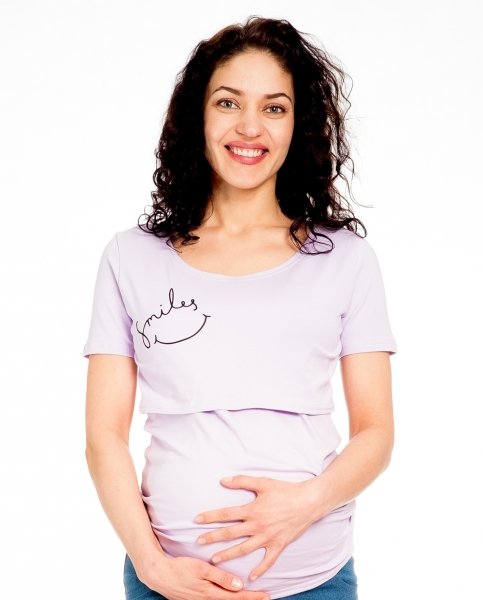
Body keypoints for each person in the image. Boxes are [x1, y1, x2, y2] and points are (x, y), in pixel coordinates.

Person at [83, 16, 397, 600]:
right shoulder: (131, 257)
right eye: (228, 102)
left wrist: (304, 504)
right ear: (197, 116)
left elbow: (376, 433)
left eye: (274, 108)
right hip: (167, 584)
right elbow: (103, 436)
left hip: (314, 582)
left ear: (298, 125)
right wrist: (152, 567)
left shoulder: (347, 260)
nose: (250, 126)